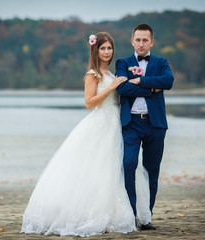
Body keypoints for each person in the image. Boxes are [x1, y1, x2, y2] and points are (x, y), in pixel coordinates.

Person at [21, 32, 150, 237]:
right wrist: (112, 88)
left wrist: (137, 81)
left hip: (117, 123)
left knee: (115, 170)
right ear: (95, 50)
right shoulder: (93, 74)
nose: (107, 52)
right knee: (98, 169)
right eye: (103, 48)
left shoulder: (111, 74)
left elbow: (122, 89)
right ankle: (90, 214)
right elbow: (89, 103)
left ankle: (118, 212)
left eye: (109, 48)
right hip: (101, 123)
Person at [116, 23, 174, 230]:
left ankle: (146, 217)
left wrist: (139, 81)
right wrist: (152, 88)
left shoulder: (161, 61)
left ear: (152, 42)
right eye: (137, 40)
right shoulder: (123, 62)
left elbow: (168, 81)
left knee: (152, 171)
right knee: (129, 164)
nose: (141, 43)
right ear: (132, 41)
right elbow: (122, 87)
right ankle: (130, 215)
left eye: (145, 40)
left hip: (155, 124)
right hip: (131, 123)